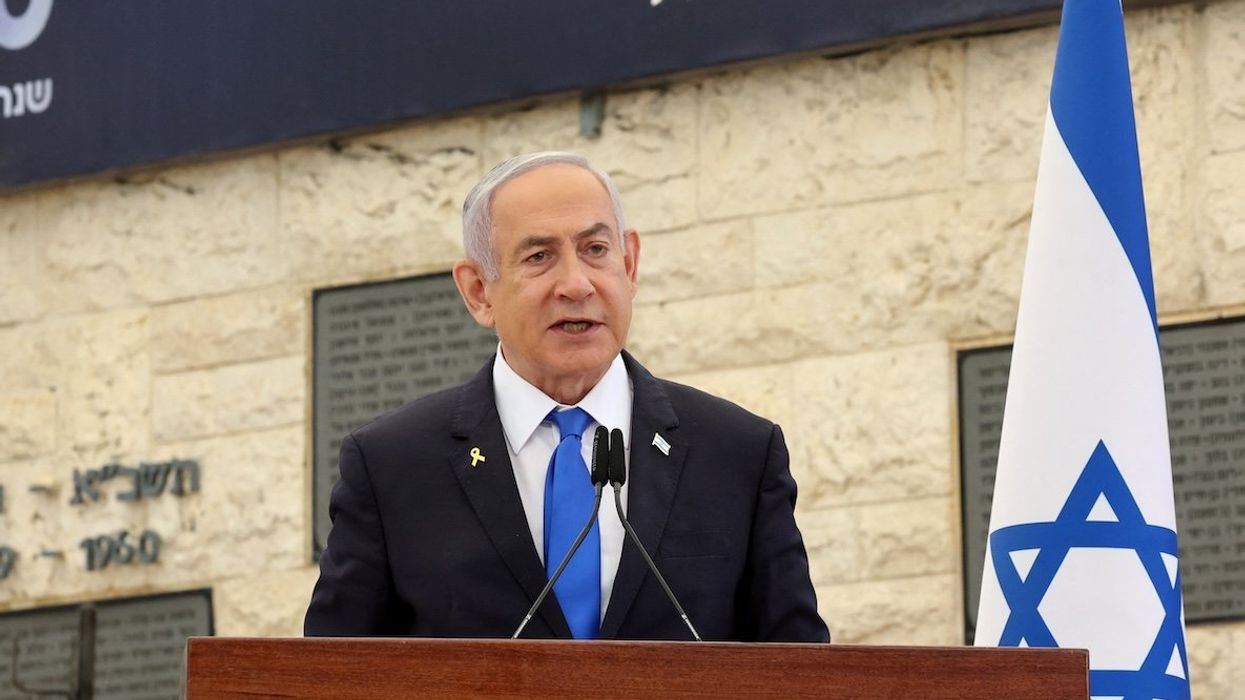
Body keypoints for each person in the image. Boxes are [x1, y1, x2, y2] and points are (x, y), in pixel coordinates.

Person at [305, 152, 828, 642]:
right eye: (539, 256)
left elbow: (800, 671)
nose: (576, 284)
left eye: (596, 250)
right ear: (478, 292)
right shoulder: (391, 466)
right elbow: (328, 679)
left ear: (630, 264)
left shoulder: (737, 452)